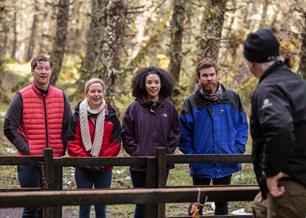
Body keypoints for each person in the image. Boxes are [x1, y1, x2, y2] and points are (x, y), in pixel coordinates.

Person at [242, 28, 306, 218]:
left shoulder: (269, 88)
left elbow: (280, 130)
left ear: (252, 63)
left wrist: (271, 176)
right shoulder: (299, 83)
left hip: (292, 182)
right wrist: (265, 188)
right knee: (260, 209)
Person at [3, 54, 72, 218]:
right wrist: (26, 149)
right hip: (28, 162)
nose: (43, 72)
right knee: (31, 207)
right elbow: (8, 127)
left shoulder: (61, 96)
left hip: (53, 162)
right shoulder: (21, 96)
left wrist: (61, 147)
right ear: (33, 71)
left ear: (51, 72)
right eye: (39, 68)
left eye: (47, 68)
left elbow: (69, 126)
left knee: (50, 207)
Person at [179, 58, 249, 215]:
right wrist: (192, 156)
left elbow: (242, 125)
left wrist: (237, 149)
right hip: (201, 163)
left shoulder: (232, 97)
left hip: (227, 160)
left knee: (222, 205)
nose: (209, 78)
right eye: (205, 75)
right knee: (197, 205)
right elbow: (183, 132)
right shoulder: (191, 101)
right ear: (199, 77)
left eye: (212, 74)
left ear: (217, 75)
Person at [122, 67, 181, 218]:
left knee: (158, 202)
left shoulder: (169, 107)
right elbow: (127, 134)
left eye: (156, 82)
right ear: (143, 84)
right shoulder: (134, 107)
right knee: (141, 203)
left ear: (162, 85)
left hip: (162, 164)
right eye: (149, 82)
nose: (153, 86)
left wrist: (167, 152)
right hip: (140, 165)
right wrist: (138, 152)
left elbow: (175, 132)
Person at [67, 78, 121, 218]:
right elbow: (72, 143)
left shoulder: (111, 115)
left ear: (103, 93)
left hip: (104, 168)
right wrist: (87, 162)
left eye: (99, 91)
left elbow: (115, 143)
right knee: (84, 205)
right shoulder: (77, 115)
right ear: (86, 93)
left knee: (101, 206)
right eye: (92, 91)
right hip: (83, 168)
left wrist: (101, 162)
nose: (96, 94)